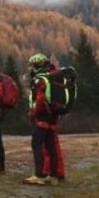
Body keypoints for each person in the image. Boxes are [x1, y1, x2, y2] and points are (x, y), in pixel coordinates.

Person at [24, 53, 63, 186]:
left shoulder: (40, 79)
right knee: (50, 146)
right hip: (53, 116)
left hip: (42, 116)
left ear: (36, 66)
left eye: (32, 66)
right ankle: (53, 175)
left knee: (36, 145)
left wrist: (33, 113)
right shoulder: (52, 77)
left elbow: (39, 99)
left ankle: (39, 175)